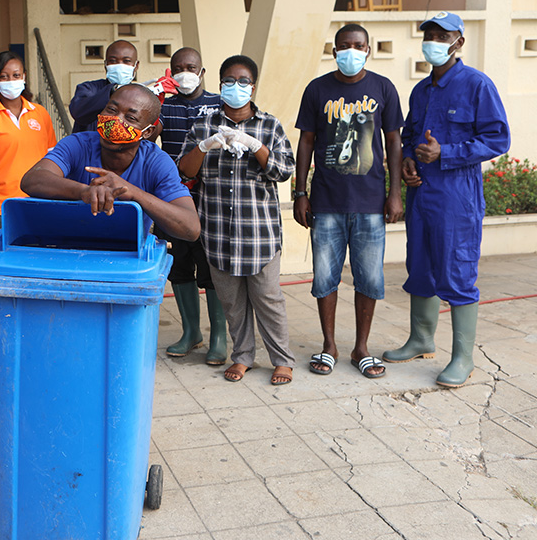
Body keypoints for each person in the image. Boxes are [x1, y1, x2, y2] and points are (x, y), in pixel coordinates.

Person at [383, 11, 511, 388]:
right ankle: (421, 339)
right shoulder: (421, 90)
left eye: (442, 36)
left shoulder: (476, 85)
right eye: (430, 35)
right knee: (420, 266)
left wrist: (447, 153)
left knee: (457, 271)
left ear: (459, 42)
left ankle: (463, 357)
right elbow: (409, 134)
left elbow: (498, 139)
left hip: (457, 196)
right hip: (422, 192)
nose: (434, 42)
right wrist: (408, 159)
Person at [293, 24, 404, 379]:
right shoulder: (317, 89)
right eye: (344, 46)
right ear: (334, 49)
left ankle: (361, 348)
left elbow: (394, 144)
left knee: (369, 278)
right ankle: (329, 346)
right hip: (326, 202)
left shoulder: (384, 88)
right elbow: (306, 142)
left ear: (368, 49)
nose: (351, 51)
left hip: (370, 203)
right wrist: (300, 192)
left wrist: (395, 192)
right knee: (324, 277)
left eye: (358, 45)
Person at [178, 55, 296, 385]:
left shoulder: (269, 125)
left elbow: (284, 171)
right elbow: (185, 170)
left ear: (253, 87)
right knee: (232, 301)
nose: (236, 87)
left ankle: (282, 360)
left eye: (243, 81)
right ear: (219, 85)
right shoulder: (204, 124)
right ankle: (242, 356)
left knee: (268, 299)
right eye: (229, 81)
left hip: (259, 234)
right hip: (218, 232)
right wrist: (206, 145)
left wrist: (255, 145)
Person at [21, 83, 199, 243]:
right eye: (112, 110)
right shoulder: (77, 145)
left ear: (147, 132)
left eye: (130, 118)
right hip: (70, 253)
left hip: (128, 262)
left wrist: (132, 192)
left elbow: (190, 228)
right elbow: (32, 180)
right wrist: (84, 192)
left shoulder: (156, 162)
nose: (116, 122)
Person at [0, 51, 57, 373]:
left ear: (24, 77)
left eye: (16, 75)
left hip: (36, 208)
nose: (11, 81)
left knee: (34, 272)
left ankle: (33, 336)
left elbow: (52, 163)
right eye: (4, 76)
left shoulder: (41, 115)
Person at [156, 47, 228, 364]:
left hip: (211, 200)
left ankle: (218, 338)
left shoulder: (219, 104)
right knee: (180, 266)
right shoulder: (163, 108)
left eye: (191, 67)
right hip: (171, 199)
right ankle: (191, 332)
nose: (184, 72)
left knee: (212, 268)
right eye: (178, 68)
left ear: (202, 71)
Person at [69, 40, 139, 133]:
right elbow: (79, 113)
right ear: (105, 65)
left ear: (136, 65)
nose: (119, 66)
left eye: (126, 61)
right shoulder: (88, 89)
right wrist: (112, 91)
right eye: (113, 61)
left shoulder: (140, 95)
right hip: (89, 147)